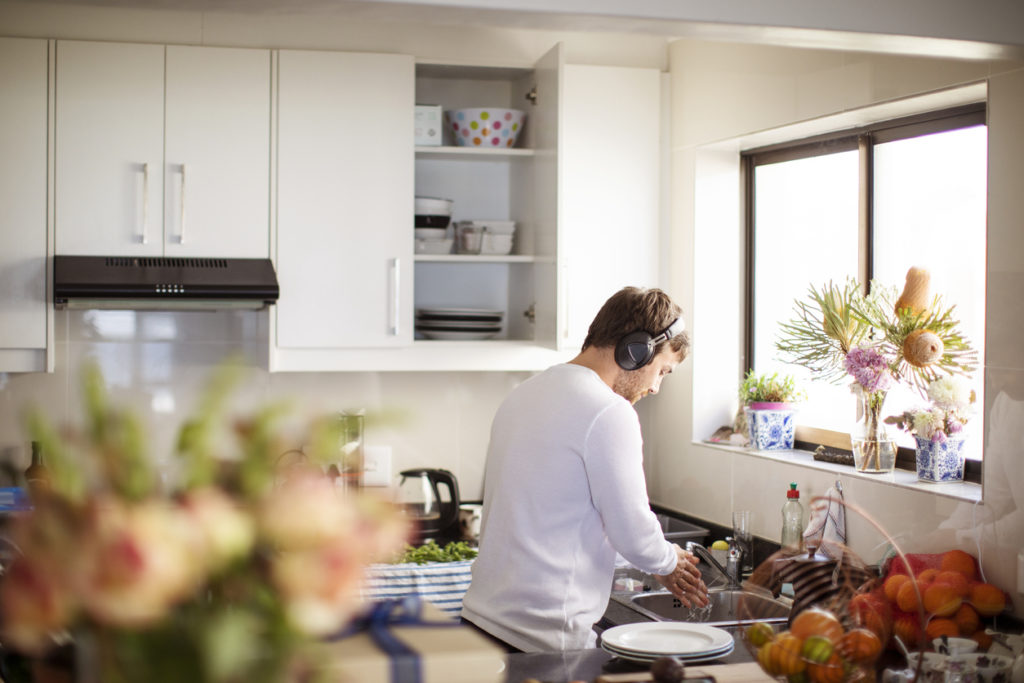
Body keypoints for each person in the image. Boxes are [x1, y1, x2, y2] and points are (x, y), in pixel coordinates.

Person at [460, 286, 709, 653]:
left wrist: (656, 557)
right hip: (540, 642)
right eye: (663, 371)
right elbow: (633, 530)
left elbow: (559, 518)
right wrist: (668, 560)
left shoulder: (524, 394)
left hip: (481, 626)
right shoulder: (609, 411)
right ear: (636, 350)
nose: (656, 387)